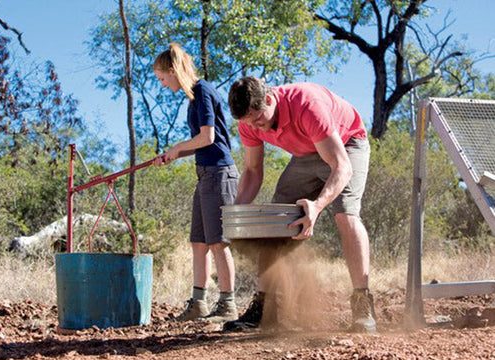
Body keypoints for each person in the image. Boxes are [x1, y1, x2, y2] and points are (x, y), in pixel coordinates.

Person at [223, 76, 376, 333]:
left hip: (347, 145)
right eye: (249, 123)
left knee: (345, 215)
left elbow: (341, 167)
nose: (256, 128)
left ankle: (362, 303)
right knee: (275, 223)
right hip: (305, 154)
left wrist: (316, 206)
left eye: (259, 119)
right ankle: (264, 309)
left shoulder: (307, 105)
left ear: (270, 99)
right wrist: (237, 213)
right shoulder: (249, 121)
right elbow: (251, 171)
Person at [153, 43, 240, 322]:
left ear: (173, 70)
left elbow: (209, 137)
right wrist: (173, 154)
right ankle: (198, 304)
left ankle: (227, 304)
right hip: (205, 172)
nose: (163, 85)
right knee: (199, 242)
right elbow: (201, 143)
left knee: (218, 242)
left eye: (162, 79)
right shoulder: (194, 97)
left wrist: (179, 147)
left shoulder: (202, 92)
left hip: (219, 172)